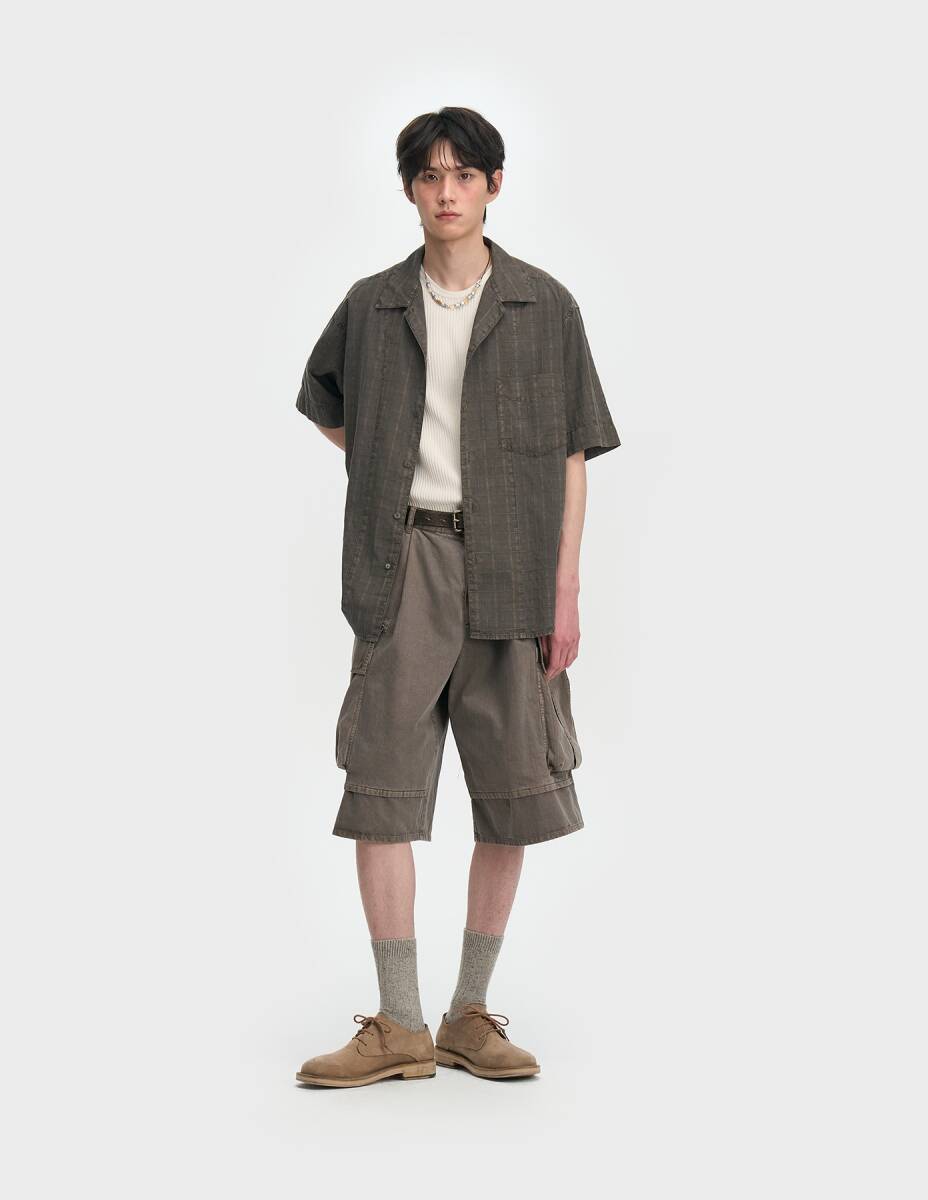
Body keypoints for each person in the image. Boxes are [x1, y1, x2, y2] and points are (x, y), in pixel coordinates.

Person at [293, 107, 620, 1087]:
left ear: (493, 186)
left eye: (465, 175)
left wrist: (566, 587)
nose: (447, 192)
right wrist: (388, 466)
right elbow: (328, 405)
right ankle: (398, 1023)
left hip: (516, 566)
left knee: (513, 791)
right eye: (430, 175)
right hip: (403, 562)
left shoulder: (544, 306)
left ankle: (468, 1014)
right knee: (381, 788)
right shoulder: (372, 306)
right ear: (409, 189)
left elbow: (572, 454)